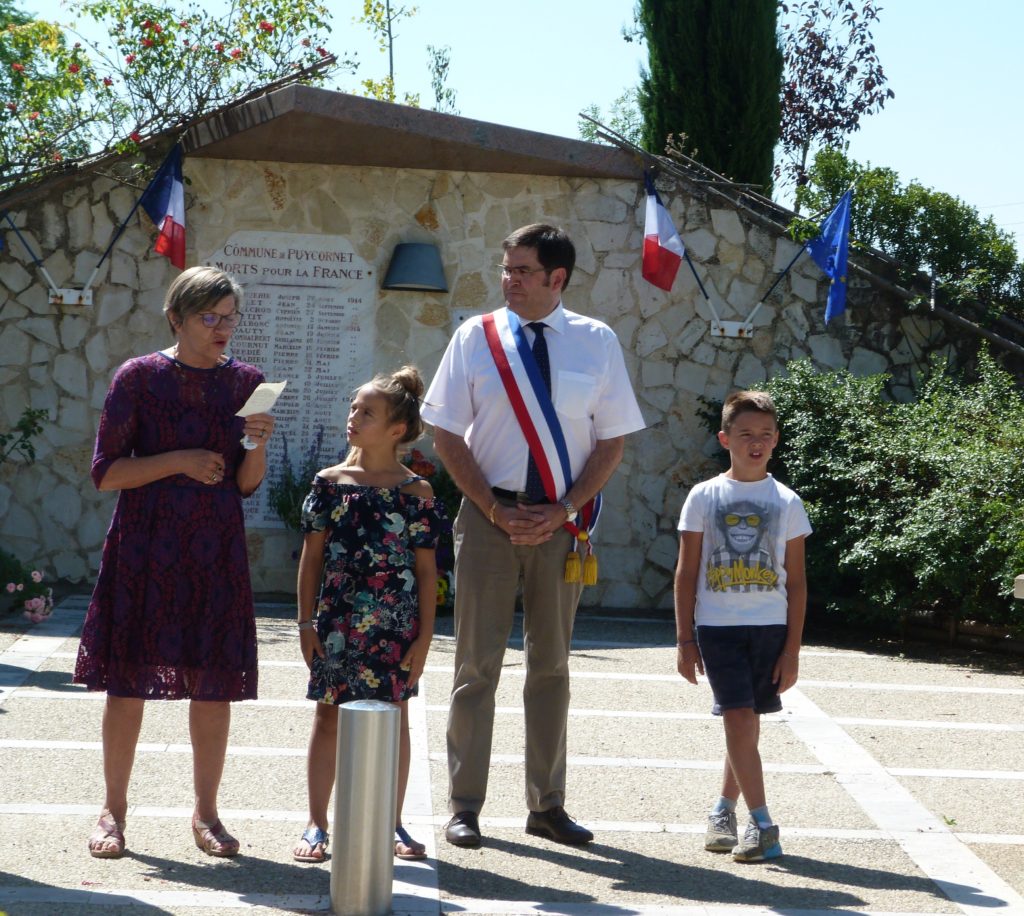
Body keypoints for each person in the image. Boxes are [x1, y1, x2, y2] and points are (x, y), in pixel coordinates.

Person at [422, 223, 646, 848]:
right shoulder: (476, 337)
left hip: (562, 524)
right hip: (488, 519)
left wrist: (566, 508)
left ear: (557, 279)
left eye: (522, 270)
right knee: (475, 667)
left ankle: (546, 805)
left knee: (550, 668)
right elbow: (444, 436)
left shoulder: (596, 341)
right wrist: (493, 508)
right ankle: (465, 805)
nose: (508, 280)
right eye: (506, 267)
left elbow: (612, 441)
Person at [74, 265, 276, 859]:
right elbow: (106, 472)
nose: (221, 328)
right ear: (177, 318)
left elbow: (245, 486)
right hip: (144, 544)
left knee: (213, 684)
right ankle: (113, 810)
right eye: (208, 317)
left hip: (215, 548)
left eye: (228, 317)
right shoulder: (138, 378)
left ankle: (207, 814)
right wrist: (180, 459)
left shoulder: (247, 382)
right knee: (127, 681)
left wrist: (257, 443)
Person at [292, 366, 444, 864]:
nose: (353, 417)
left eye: (367, 412)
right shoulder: (329, 483)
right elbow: (311, 559)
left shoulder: (416, 492)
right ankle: (316, 824)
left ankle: (392, 822)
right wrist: (305, 623)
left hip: (395, 627)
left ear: (398, 429)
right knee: (328, 716)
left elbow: (427, 572)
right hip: (335, 623)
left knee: (393, 720)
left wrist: (424, 638)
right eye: (354, 407)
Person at [674, 390, 811, 862]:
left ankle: (722, 809)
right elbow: (686, 572)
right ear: (724, 438)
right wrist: (685, 639)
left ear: (776, 442)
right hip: (718, 629)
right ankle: (763, 823)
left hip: (770, 629)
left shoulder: (788, 501)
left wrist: (792, 650)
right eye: (746, 434)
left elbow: (797, 584)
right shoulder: (704, 496)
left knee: (745, 725)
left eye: (765, 435)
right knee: (737, 717)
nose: (756, 442)